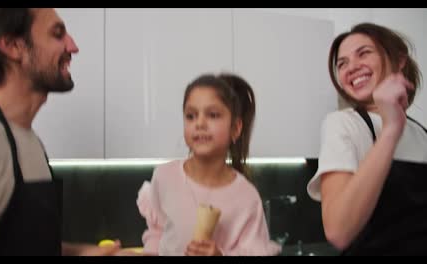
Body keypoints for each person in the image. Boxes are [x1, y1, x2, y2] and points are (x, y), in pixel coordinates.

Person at [0, 8, 120, 256]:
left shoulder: (30, 140)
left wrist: (82, 253)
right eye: (58, 35)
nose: (73, 46)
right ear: (11, 45)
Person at [307, 22, 427, 255]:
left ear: (399, 60)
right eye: (342, 64)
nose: (351, 67)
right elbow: (338, 231)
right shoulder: (344, 124)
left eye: (364, 53)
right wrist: (392, 128)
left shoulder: (422, 133)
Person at [134, 73, 281, 256]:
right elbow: (157, 232)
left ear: (235, 128)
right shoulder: (164, 177)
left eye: (212, 115)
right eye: (191, 116)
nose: (200, 123)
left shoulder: (246, 197)